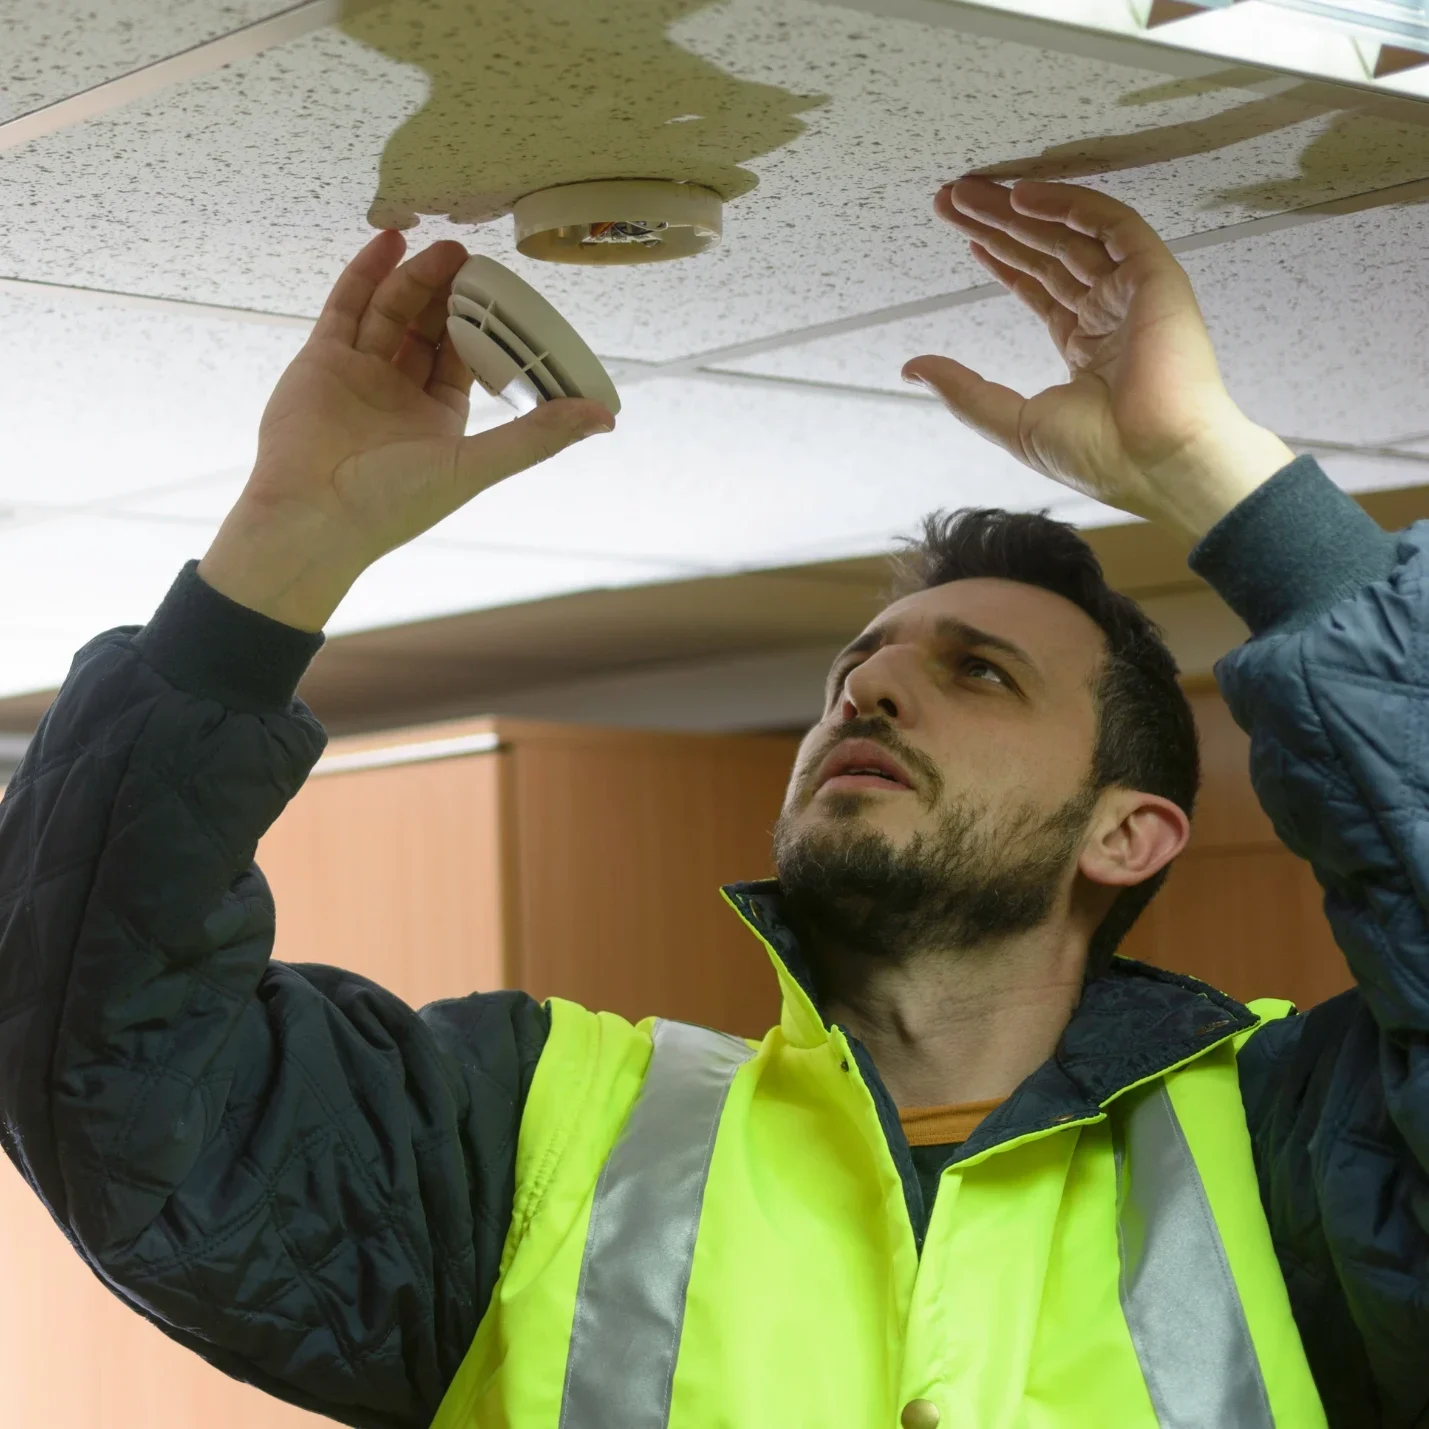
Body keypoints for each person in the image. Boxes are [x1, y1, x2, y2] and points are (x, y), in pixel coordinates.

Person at [0, 176, 1424, 1429]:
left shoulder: (1306, 1146)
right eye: (856, 671)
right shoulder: (535, 1135)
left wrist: (1211, 474)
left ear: (1130, 833)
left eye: (977, 675)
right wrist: (280, 549)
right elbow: (105, 1075)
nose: (867, 694)